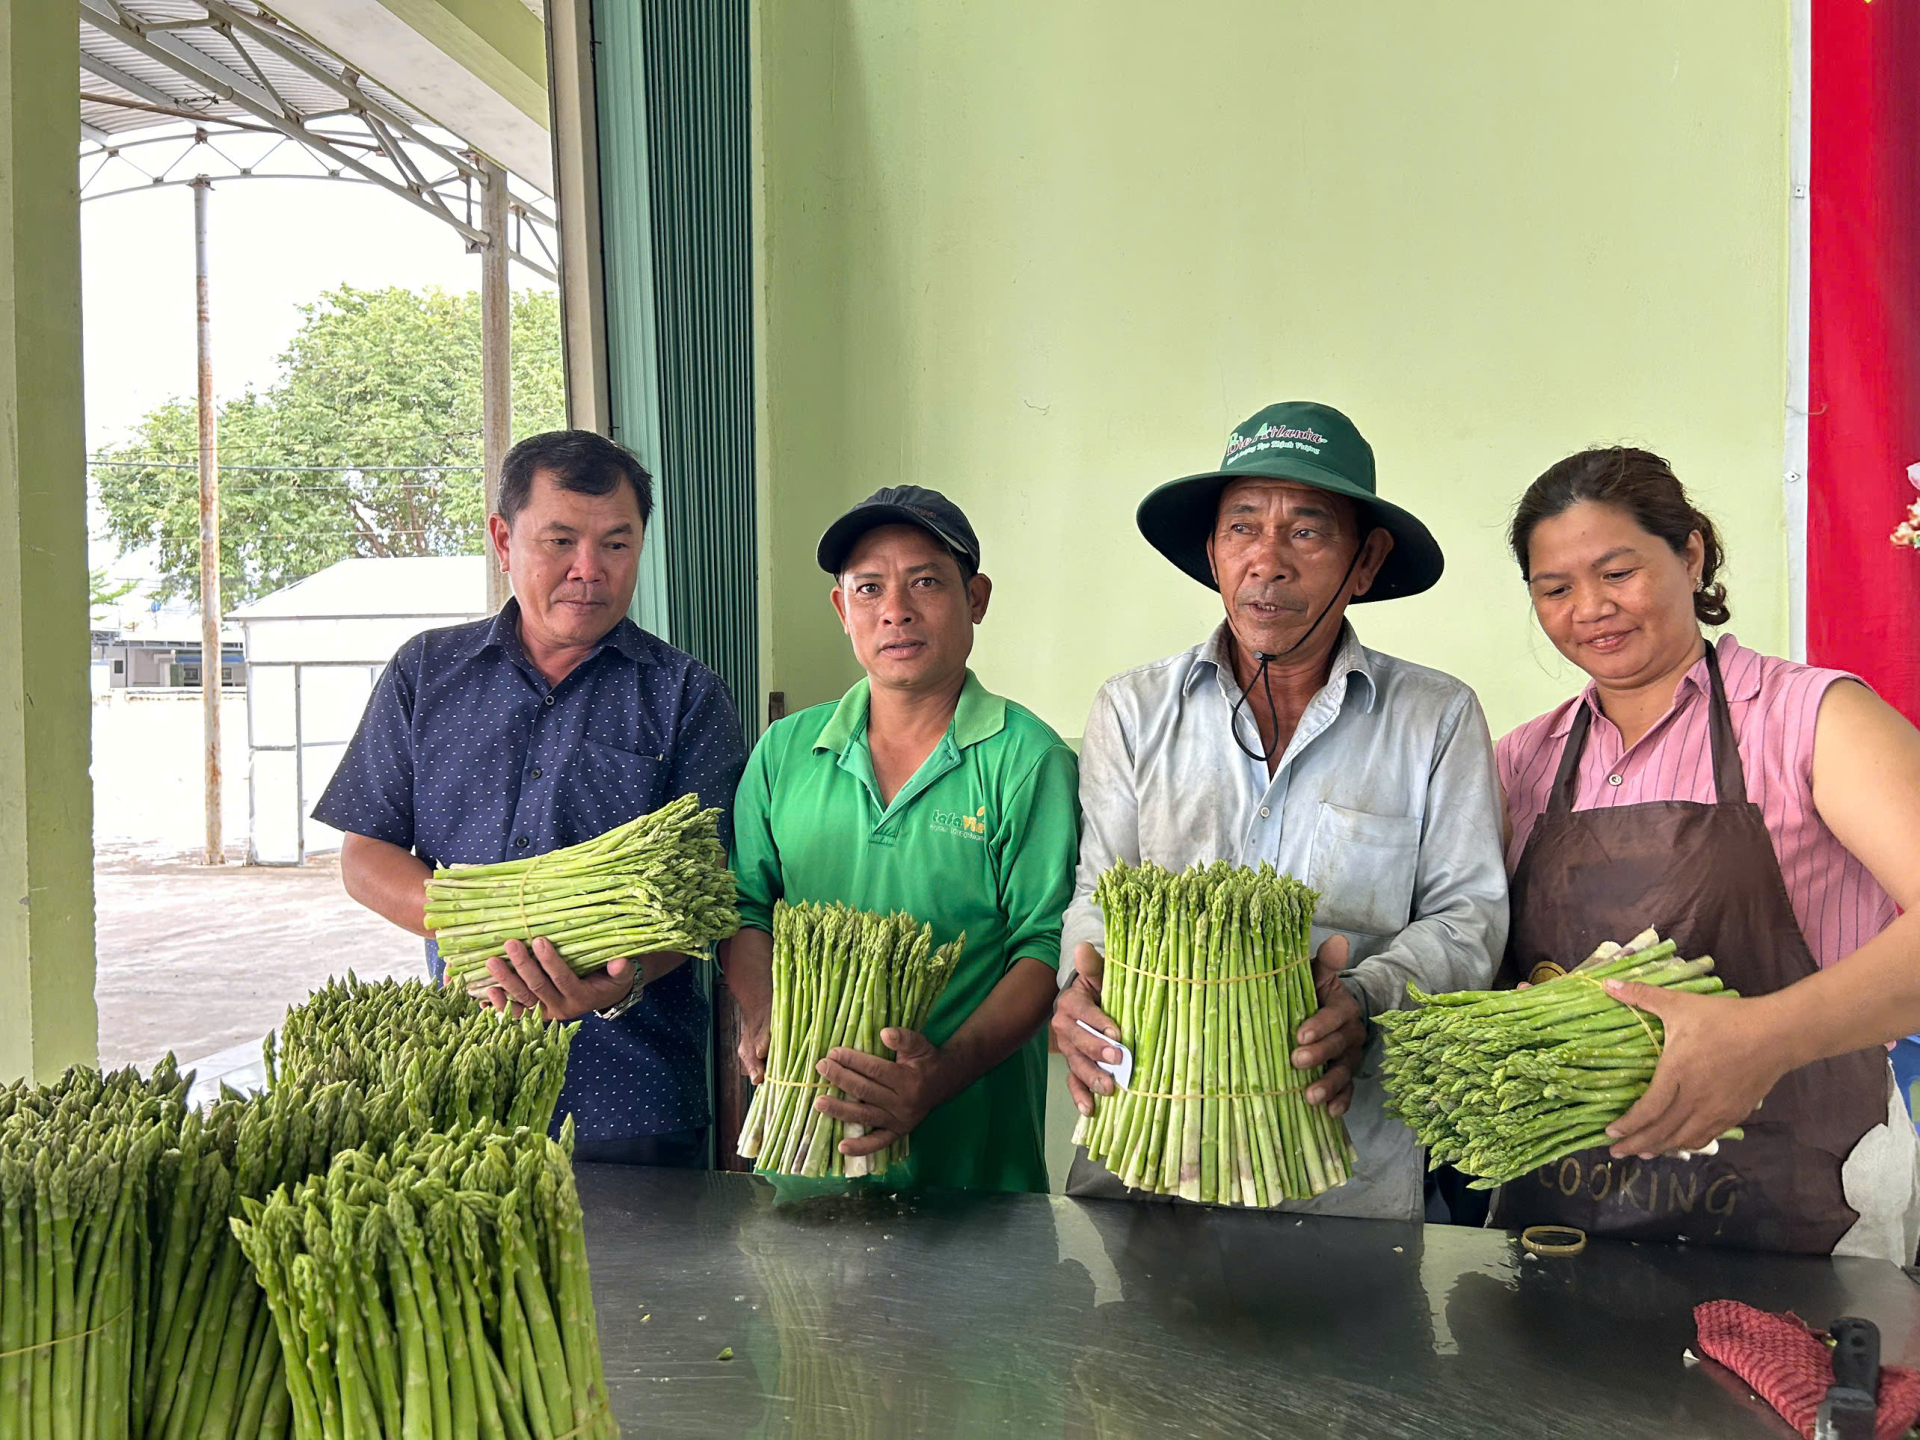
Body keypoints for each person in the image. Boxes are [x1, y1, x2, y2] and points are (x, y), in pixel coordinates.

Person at [1051, 401, 1509, 1218]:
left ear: (1364, 562)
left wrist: (1364, 1000)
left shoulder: (1434, 718)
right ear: (1212, 552)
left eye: (1306, 530)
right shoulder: (1131, 709)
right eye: (1242, 528)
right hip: (1147, 1150)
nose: (1268, 562)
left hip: (1340, 1168)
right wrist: (1075, 989)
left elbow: (1468, 918)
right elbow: (1099, 892)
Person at [1490, 446, 1920, 1259]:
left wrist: (1764, 1037)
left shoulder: (1810, 717)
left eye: (1618, 572)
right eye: (1555, 589)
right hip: (1564, 1221)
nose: (1590, 609)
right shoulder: (1522, 762)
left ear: (1690, 555)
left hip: (1804, 1216)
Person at [313, 429, 747, 1167]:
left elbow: (711, 891)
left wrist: (617, 979)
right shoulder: (427, 672)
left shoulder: (685, 694)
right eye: (560, 541)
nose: (589, 570)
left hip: (632, 1095)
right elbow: (365, 854)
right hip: (460, 1080)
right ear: (502, 539)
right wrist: (497, 939)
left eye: (617, 543)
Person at [724, 486, 1079, 1193]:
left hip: (974, 1168)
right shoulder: (786, 751)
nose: (896, 610)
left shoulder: (1028, 759)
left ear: (975, 598)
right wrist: (765, 1015)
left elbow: (1045, 947)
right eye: (869, 588)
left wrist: (937, 1075)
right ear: (842, 610)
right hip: (802, 1153)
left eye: (925, 582)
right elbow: (744, 906)